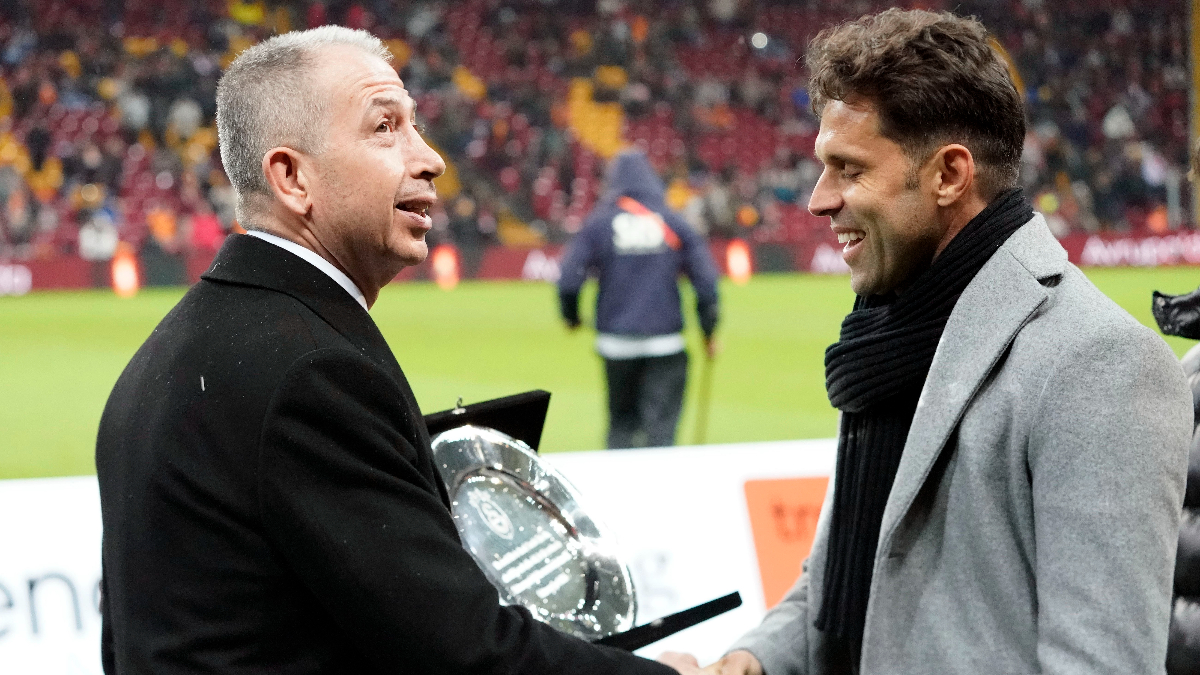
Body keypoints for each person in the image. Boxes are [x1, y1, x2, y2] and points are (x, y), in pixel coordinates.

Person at [95, 26, 682, 675]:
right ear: (292, 177)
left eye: (415, 126)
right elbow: (466, 653)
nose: (430, 158)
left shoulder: (165, 356)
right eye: (385, 128)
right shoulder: (312, 374)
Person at [660, 9, 1192, 675]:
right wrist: (753, 660)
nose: (818, 200)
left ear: (948, 175)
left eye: (849, 169)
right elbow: (851, 576)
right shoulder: (893, 331)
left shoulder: (1100, 365)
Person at [557, 150, 720, 449]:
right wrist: (709, 331)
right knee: (661, 434)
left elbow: (568, 278)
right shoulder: (672, 221)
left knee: (621, 427)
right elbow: (706, 282)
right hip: (666, 343)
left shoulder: (599, 223)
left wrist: (571, 317)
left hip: (615, 344)